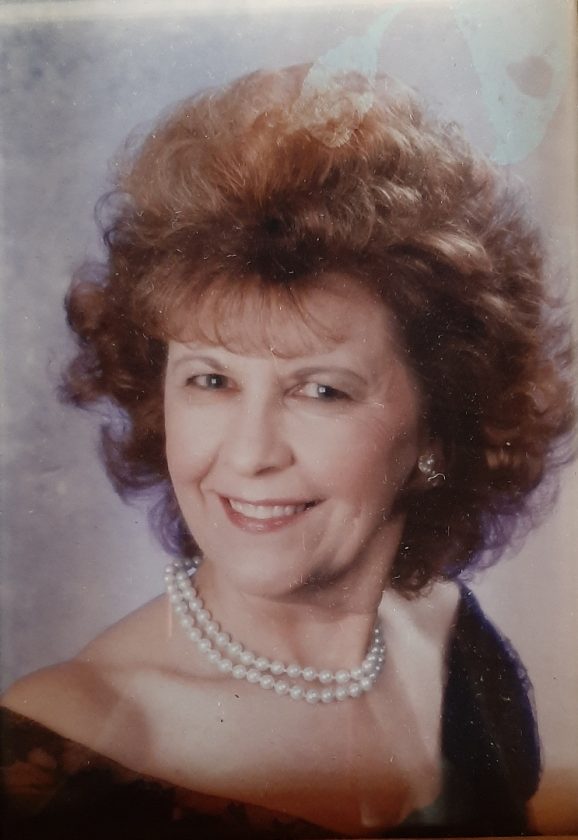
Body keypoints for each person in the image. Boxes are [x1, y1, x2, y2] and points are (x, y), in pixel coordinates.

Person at [1, 63, 574, 839]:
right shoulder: (62, 750)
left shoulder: (458, 650)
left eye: (321, 390)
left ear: (437, 428)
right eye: (210, 380)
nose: (250, 454)